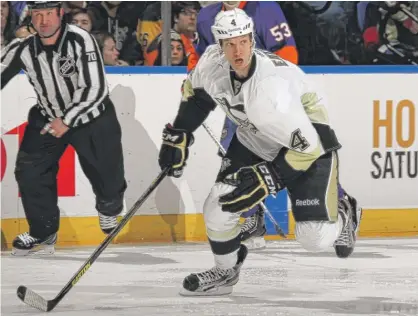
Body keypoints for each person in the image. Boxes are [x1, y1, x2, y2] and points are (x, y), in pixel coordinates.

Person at [158, 8, 362, 296]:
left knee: (313, 238)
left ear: (252, 40)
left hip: (307, 143)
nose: (237, 50)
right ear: (218, 46)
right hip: (255, 137)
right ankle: (226, 271)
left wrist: (269, 177)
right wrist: (178, 134)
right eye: (229, 43)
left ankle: (346, 211)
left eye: (242, 41)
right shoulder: (210, 64)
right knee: (218, 206)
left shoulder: (268, 95)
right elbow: (198, 98)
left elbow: (310, 148)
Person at [1, 1, 127, 256]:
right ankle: (43, 232)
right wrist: (58, 120)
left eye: (49, 13)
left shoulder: (81, 40)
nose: (43, 20)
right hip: (48, 116)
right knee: (30, 171)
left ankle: (109, 207)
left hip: (93, 117)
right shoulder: (23, 47)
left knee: (106, 172)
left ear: (60, 14)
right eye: (38, 14)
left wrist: (67, 119)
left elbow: (95, 89)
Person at [195, 1, 300, 246]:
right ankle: (252, 218)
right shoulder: (206, 16)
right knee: (235, 156)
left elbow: (287, 52)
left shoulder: (264, 9)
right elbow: (202, 58)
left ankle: (338, 205)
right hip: (238, 104)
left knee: (297, 157)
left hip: (269, 99)